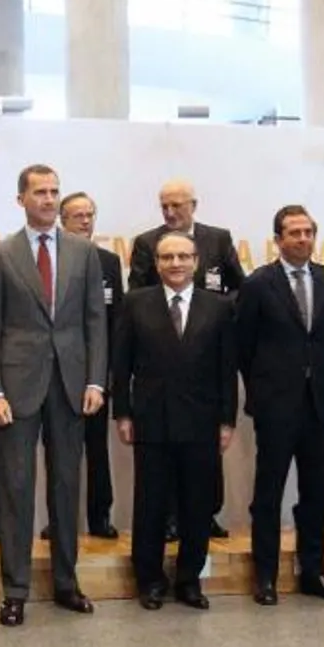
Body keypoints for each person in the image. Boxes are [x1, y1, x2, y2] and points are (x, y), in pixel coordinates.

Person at [0, 164, 107, 628]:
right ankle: (15, 591)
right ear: (21, 199)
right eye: (40, 193)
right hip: (15, 387)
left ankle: (67, 584)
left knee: (66, 486)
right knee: (15, 489)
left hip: (71, 385)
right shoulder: (0, 255)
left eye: (55, 192)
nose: (50, 200)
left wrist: (95, 380)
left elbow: (95, 322)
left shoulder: (83, 252)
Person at [114, 231, 236, 611]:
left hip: (202, 422)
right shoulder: (136, 303)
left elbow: (226, 369)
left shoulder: (217, 307)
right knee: (150, 505)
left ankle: (189, 581)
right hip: (151, 420)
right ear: (157, 263)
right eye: (167, 258)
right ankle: (149, 581)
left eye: (183, 256)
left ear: (196, 262)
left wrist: (227, 421)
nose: (176, 264)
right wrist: (122, 412)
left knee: (197, 506)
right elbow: (121, 364)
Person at [236, 205, 324, 605]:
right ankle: (265, 575)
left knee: (317, 489)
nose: (302, 239)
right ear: (278, 240)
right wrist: (262, 391)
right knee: (269, 491)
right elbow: (243, 347)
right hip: (275, 404)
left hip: (317, 402)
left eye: (308, 232)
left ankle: (313, 571)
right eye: (293, 233)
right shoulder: (257, 284)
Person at [58, 191, 121, 539]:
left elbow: (117, 321)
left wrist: (108, 371)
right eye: (77, 215)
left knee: (98, 450)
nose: (85, 221)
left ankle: (100, 517)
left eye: (89, 214)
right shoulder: (51, 260)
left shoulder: (109, 262)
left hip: (96, 373)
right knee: (62, 451)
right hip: (58, 372)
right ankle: (60, 519)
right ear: (62, 221)